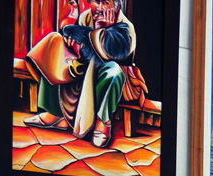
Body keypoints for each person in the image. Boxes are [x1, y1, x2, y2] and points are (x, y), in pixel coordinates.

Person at [23, 0, 141, 148]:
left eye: (106, 2)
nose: (100, 8)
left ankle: (103, 121)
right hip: (83, 71)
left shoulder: (126, 28)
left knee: (114, 72)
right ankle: (55, 113)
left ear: (117, 6)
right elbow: (79, 44)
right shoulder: (86, 17)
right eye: (96, 1)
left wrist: (101, 31)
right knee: (56, 45)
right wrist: (72, 43)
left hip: (109, 80)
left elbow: (111, 55)